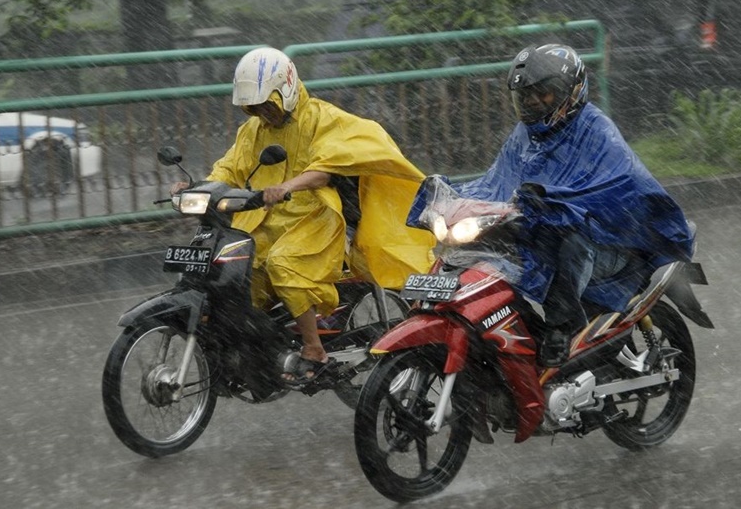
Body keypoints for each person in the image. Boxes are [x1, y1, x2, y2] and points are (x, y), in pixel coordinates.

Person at [171, 47, 435, 384]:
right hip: (264, 220)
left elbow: (326, 168)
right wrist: (197, 187)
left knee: (284, 264)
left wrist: (287, 186)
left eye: (268, 103)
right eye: (254, 106)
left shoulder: (323, 120)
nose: (262, 112)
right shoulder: (252, 131)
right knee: (235, 270)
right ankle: (262, 347)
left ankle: (314, 350)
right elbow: (230, 168)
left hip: (315, 218)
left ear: (287, 89)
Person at [453, 44, 695, 367]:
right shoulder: (525, 135)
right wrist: (454, 200)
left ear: (572, 91)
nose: (534, 103)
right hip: (547, 231)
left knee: (572, 243)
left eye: (544, 94)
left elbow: (613, 186)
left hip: (611, 241)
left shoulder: (597, 130)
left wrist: (557, 202)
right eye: (525, 96)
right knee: (488, 246)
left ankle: (561, 328)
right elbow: (496, 181)